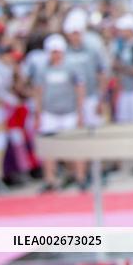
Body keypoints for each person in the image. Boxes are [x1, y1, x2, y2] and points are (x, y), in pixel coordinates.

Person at [32, 34, 86, 191]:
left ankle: (80, 176)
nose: (55, 55)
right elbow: (39, 91)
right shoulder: (43, 69)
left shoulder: (72, 67)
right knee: (49, 148)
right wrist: (39, 113)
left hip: (69, 111)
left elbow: (80, 89)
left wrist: (80, 111)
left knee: (75, 147)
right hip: (50, 112)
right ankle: (50, 179)